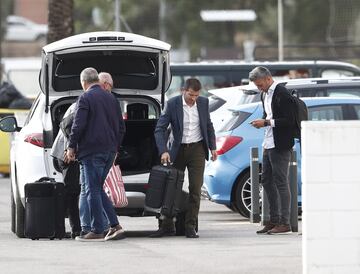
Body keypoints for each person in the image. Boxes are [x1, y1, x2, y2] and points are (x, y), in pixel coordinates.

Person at [65, 67, 126, 241]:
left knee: (93, 190)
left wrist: (71, 147)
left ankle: (98, 230)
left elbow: (78, 125)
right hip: (109, 152)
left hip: (91, 151)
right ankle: (114, 226)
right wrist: (115, 148)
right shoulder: (112, 98)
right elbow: (122, 128)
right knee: (96, 189)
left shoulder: (85, 98)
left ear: (83, 82)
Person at [153, 78, 217, 238]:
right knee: (172, 189)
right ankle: (167, 225)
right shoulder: (173, 103)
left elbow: (208, 125)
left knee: (195, 189)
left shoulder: (203, 103)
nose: (193, 99)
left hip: (197, 149)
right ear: (183, 90)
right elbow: (159, 129)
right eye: (190, 95)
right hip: (177, 150)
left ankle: (190, 226)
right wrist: (163, 151)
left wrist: (213, 147)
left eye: (196, 95)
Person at [249, 66, 296, 235]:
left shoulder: (281, 93)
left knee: (281, 182)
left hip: (281, 144)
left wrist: (267, 123)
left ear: (268, 79)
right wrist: (262, 120)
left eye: (260, 84)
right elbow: (268, 114)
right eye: (257, 85)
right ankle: (273, 220)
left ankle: (284, 223)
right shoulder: (264, 94)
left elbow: (289, 120)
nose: (258, 88)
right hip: (268, 143)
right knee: (267, 180)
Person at [51, 103, 81, 239]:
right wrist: (70, 149)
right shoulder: (82, 104)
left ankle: (79, 228)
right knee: (72, 192)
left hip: (73, 153)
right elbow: (68, 125)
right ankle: (75, 229)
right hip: (67, 154)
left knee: (75, 191)